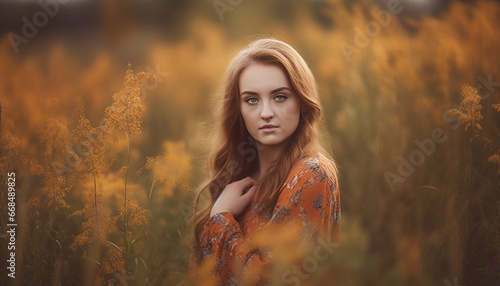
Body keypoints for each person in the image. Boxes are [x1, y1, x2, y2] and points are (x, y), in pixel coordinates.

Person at [190, 38, 341, 285]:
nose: (266, 113)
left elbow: (274, 280)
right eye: (252, 100)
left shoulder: (311, 174)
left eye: (280, 97)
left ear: (302, 102)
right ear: (237, 108)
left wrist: (220, 218)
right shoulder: (237, 178)